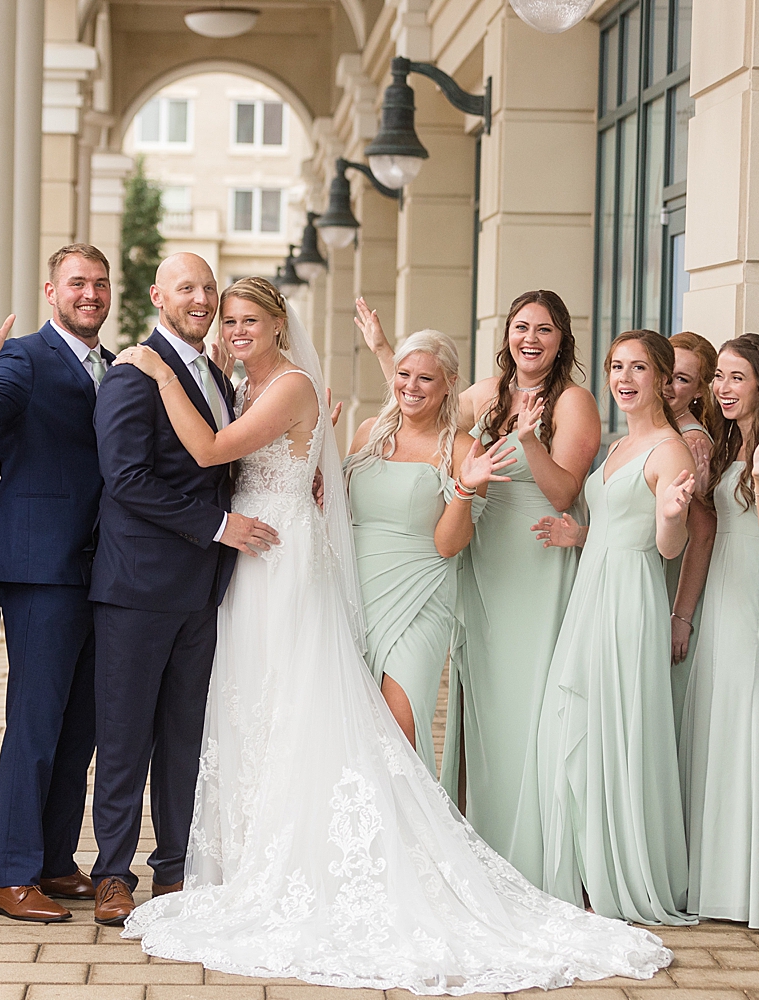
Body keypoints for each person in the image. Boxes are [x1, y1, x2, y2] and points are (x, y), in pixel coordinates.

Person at [110, 280, 671, 993]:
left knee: (377, 725)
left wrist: (159, 371)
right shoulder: (362, 426)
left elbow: (220, 451)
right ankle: (273, 847)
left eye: (252, 318)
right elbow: (361, 445)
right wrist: (318, 470)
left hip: (375, 576)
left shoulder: (319, 395)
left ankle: (390, 856)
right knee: (277, 706)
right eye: (233, 319)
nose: (237, 328)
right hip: (305, 569)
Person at [358, 289, 600, 885]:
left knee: (531, 703)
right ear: (508, 335)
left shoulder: (574, 401)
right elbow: (421, 400)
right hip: (478, 553)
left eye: (544, 329)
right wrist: (386, 351)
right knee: (484, 704)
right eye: (522, 327)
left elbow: (564, 491)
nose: (531, 339)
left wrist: (529, 439)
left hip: (535, 553)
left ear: (561, 338)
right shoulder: (488, 394)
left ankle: (536, 855)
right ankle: (480, 842)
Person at [87, 253, 279, 926]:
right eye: (187, 289)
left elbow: (229, 459)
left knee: (184, 737)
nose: (201, 299)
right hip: (137, 587)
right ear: (157, 297)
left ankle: (174, 870)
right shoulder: (133, 373)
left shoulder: (217, 376)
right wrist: (219, 524)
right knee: (124, 735)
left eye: (208, 288)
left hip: (204, 590)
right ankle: (112, 873)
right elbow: (126, 478)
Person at [0, 244, 114, 922]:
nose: (91, 294)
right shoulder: (21, 356)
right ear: (52, 291)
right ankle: (11, 873)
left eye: (100, 284)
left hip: (101, 564)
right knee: (36, 722)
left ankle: (51, 858)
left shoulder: (113, 363)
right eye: (78, 283)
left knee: (81, 726)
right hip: (42, 565)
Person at [533, 329, 698, 926]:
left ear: (660, 377)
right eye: (614, 367)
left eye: (637, 368)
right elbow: (608, 522)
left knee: (616, 727)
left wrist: (673, 516)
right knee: (577, 721)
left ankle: (615, 868)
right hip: (593, 591)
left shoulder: (669, 451)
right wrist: (579, 535)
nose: (623, 379)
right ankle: (582, 863)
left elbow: (666, 545)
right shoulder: (619, 447)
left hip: (630, 599)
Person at [679, 333, 759, 929]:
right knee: (713, 721)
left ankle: (750, 887)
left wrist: (758, 475)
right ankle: (711, 879)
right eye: (720, 378)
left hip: (755, 594)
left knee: (747, 722)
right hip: (719, 593)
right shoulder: (727, 442)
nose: (723, 389)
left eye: (736, 378)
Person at [345, 327, 513, 769]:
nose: (411, 387)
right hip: (357, 589)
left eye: (425, 379)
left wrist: (463, 489)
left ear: (449, 384)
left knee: (400, 728)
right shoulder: (366, 435)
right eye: (404, 374)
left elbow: (448, 544)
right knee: (352, 723)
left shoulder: (463, 448)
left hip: (420, 595)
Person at [665, 331, 719, 740]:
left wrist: (681, 616)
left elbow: (702, 533)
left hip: (672, 582)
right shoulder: (657, 428)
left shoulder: (691, 441)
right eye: (664, 371)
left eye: (682, 379)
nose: (668, 385)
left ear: (701, 389)